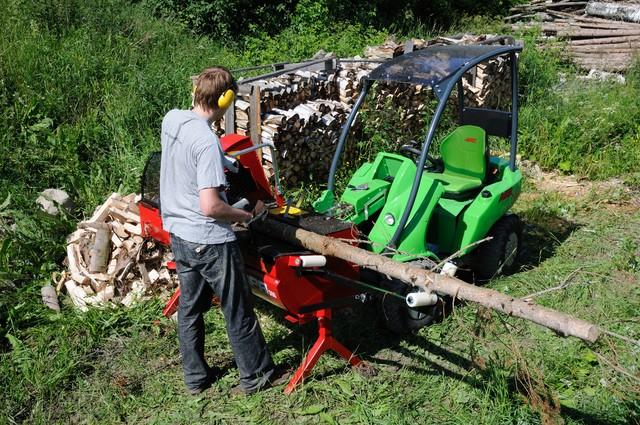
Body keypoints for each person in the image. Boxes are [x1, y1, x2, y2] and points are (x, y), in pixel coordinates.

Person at [159, 66, 279, 395]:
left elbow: (185, 157)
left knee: (190, 308)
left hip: (179, 234)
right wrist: (243, 213)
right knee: (236, 307)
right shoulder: (207, 142)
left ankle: (195, 379)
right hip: (209, 239)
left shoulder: (172, 119)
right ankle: (256, 376)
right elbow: (211, 206)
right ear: (226, 99)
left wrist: (227, 165)